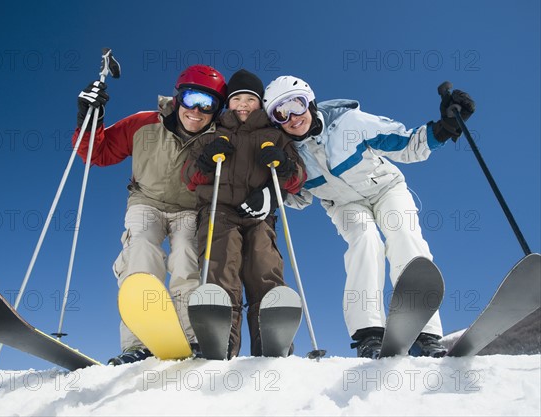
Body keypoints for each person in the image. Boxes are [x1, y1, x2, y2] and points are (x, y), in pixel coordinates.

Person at [259, 75, 475, 358]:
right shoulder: (291, 154)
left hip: (386, 189)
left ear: (309, 102)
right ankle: (369, 333)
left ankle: (426, 332)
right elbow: (301, 199)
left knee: (405, 238)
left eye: (296, 105)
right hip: (344, 205)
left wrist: (445, 128)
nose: (292, 118)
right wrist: (273, 190)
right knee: (365, 241)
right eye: (280, 113)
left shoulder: (350, 123)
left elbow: (406, 144)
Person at [73, 65, 227, 365]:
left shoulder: (219, 138)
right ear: (178, 97)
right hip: (147, 202)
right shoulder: (145, 124)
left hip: (188, 209)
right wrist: (90, 118)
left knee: (185, 254)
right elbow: (97, 153)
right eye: (192, 98)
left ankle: (192, 336)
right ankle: (138, 342)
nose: (196, 110)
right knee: (141, 247)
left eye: (207, 103)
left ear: (216, 109)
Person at [182, 69, 306, 358]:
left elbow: (297, 179)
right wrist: (206, 159)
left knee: (265, 268)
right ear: (228, 103)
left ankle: (271, 340)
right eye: (237, 99)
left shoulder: (275, 136)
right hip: (220, 211)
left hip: (259, 214)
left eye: (250, 99)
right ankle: (222, 340)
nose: (243, 105)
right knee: (221, 269)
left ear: (259, 103)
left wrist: (284, 168)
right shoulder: (214, 133)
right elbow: (188, 178)